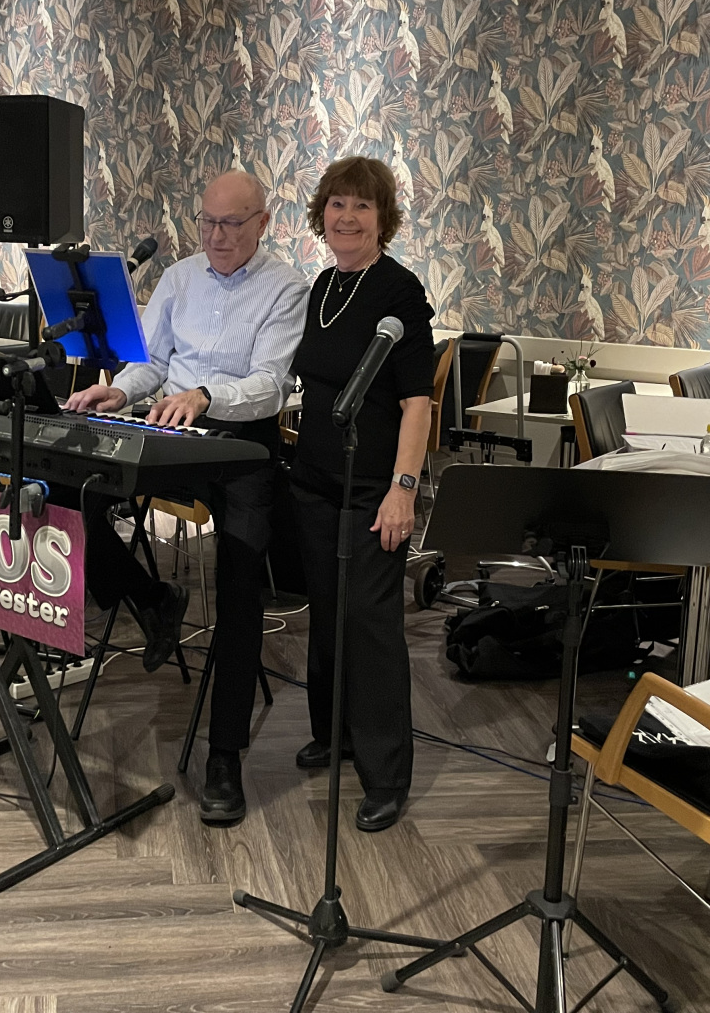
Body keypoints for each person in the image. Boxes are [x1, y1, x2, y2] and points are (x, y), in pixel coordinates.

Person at [64, 169, 310, 825]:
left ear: (263, 223)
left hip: (242, 447)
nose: (217, 236)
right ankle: (152, 598)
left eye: (231, 223)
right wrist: (121, 389)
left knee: (240, 583)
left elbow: (270, 386)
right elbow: (152, 363)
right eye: (207, 222)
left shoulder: (286, 287)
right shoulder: (178, 278)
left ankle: (224, 754)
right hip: (170, 433)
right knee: (77, 495)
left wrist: (205, 395)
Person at [289, 156, 434, 833]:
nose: (346, 217)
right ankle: (336, 734)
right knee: (326, 614)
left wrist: (404, 490)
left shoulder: (399, 292)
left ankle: (386, 775)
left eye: (362, 206)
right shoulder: (323, 285)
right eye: (337, 204)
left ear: (383, 219)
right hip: (315, 480)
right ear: (322, 214)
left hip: (375, 487)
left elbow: (417, 403)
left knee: (371, 628)